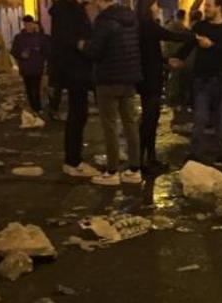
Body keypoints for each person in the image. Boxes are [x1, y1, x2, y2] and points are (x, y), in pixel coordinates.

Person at [170, 0, 222, 164]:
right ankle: (195, 153)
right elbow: (188, 45)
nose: (205, 9)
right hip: (202, 80)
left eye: (209, 5)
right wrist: (178, 59)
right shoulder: (200, 27)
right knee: (200, 118)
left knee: (221, 119)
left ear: (219, 7)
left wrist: (211, 45)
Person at [83, 0, 142, 186]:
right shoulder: (131, 18)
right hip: (129, 77)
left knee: (110, 127)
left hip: (108, 79)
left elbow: (95, 51)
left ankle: (112, 171)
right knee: (130, 123)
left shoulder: (104, 21)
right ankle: (134, 169)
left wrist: (83, 45)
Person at [135, 0, 189, 171]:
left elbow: (150, 54)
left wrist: (166, 60)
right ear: (148, 7)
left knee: (149, 119)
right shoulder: (148, 26)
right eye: (155, 5)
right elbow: (172, 36)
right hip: (150, 80)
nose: (158, 8)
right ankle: (146, 159)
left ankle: (145, 157)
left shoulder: (141, 26)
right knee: (150, 120)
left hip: (147, 78)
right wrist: (196, 36)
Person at [50, 0, 100, 177]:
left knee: (79, 114)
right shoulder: (67, 10)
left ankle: (74, 159)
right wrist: (88, 46)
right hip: (74, 70)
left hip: (75, 69)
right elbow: (71, 39)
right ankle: (73, 161)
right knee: (77, 115)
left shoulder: (69, 9)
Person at [11, 15, 50, 116]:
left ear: (33, 24)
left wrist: (42, 57)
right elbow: (14, 51)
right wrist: (21, 54)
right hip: (26, 68)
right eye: (26, 24)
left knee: (36, 88)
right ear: (24, 25)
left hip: (37, 67)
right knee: (29, 88)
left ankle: (37, 108)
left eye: (30, 24)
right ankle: (34, 107)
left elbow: (46, 51)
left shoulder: (40, 37)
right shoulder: (19, 38)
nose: (28, 26)